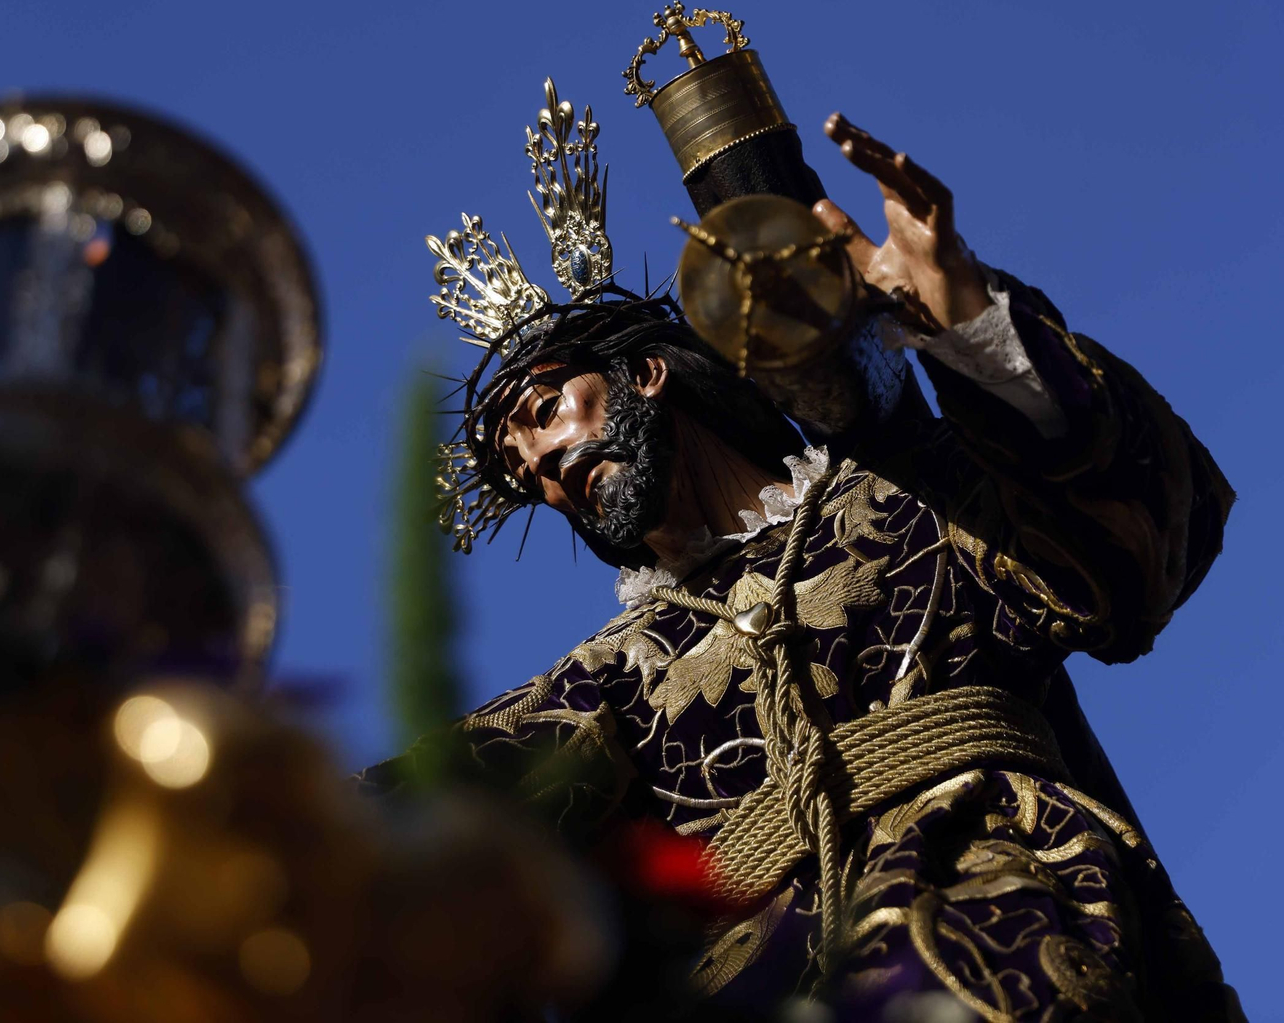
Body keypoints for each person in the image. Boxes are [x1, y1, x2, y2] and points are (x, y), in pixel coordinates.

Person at [371, 82, 1243, 1021]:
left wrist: (968, 323)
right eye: (519, 463)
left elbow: (1131, 548)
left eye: (546, 412)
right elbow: (427, 816)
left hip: (992, 944)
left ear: (647, 373)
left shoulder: (907, 499)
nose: (544, 461)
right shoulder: (612, 678)